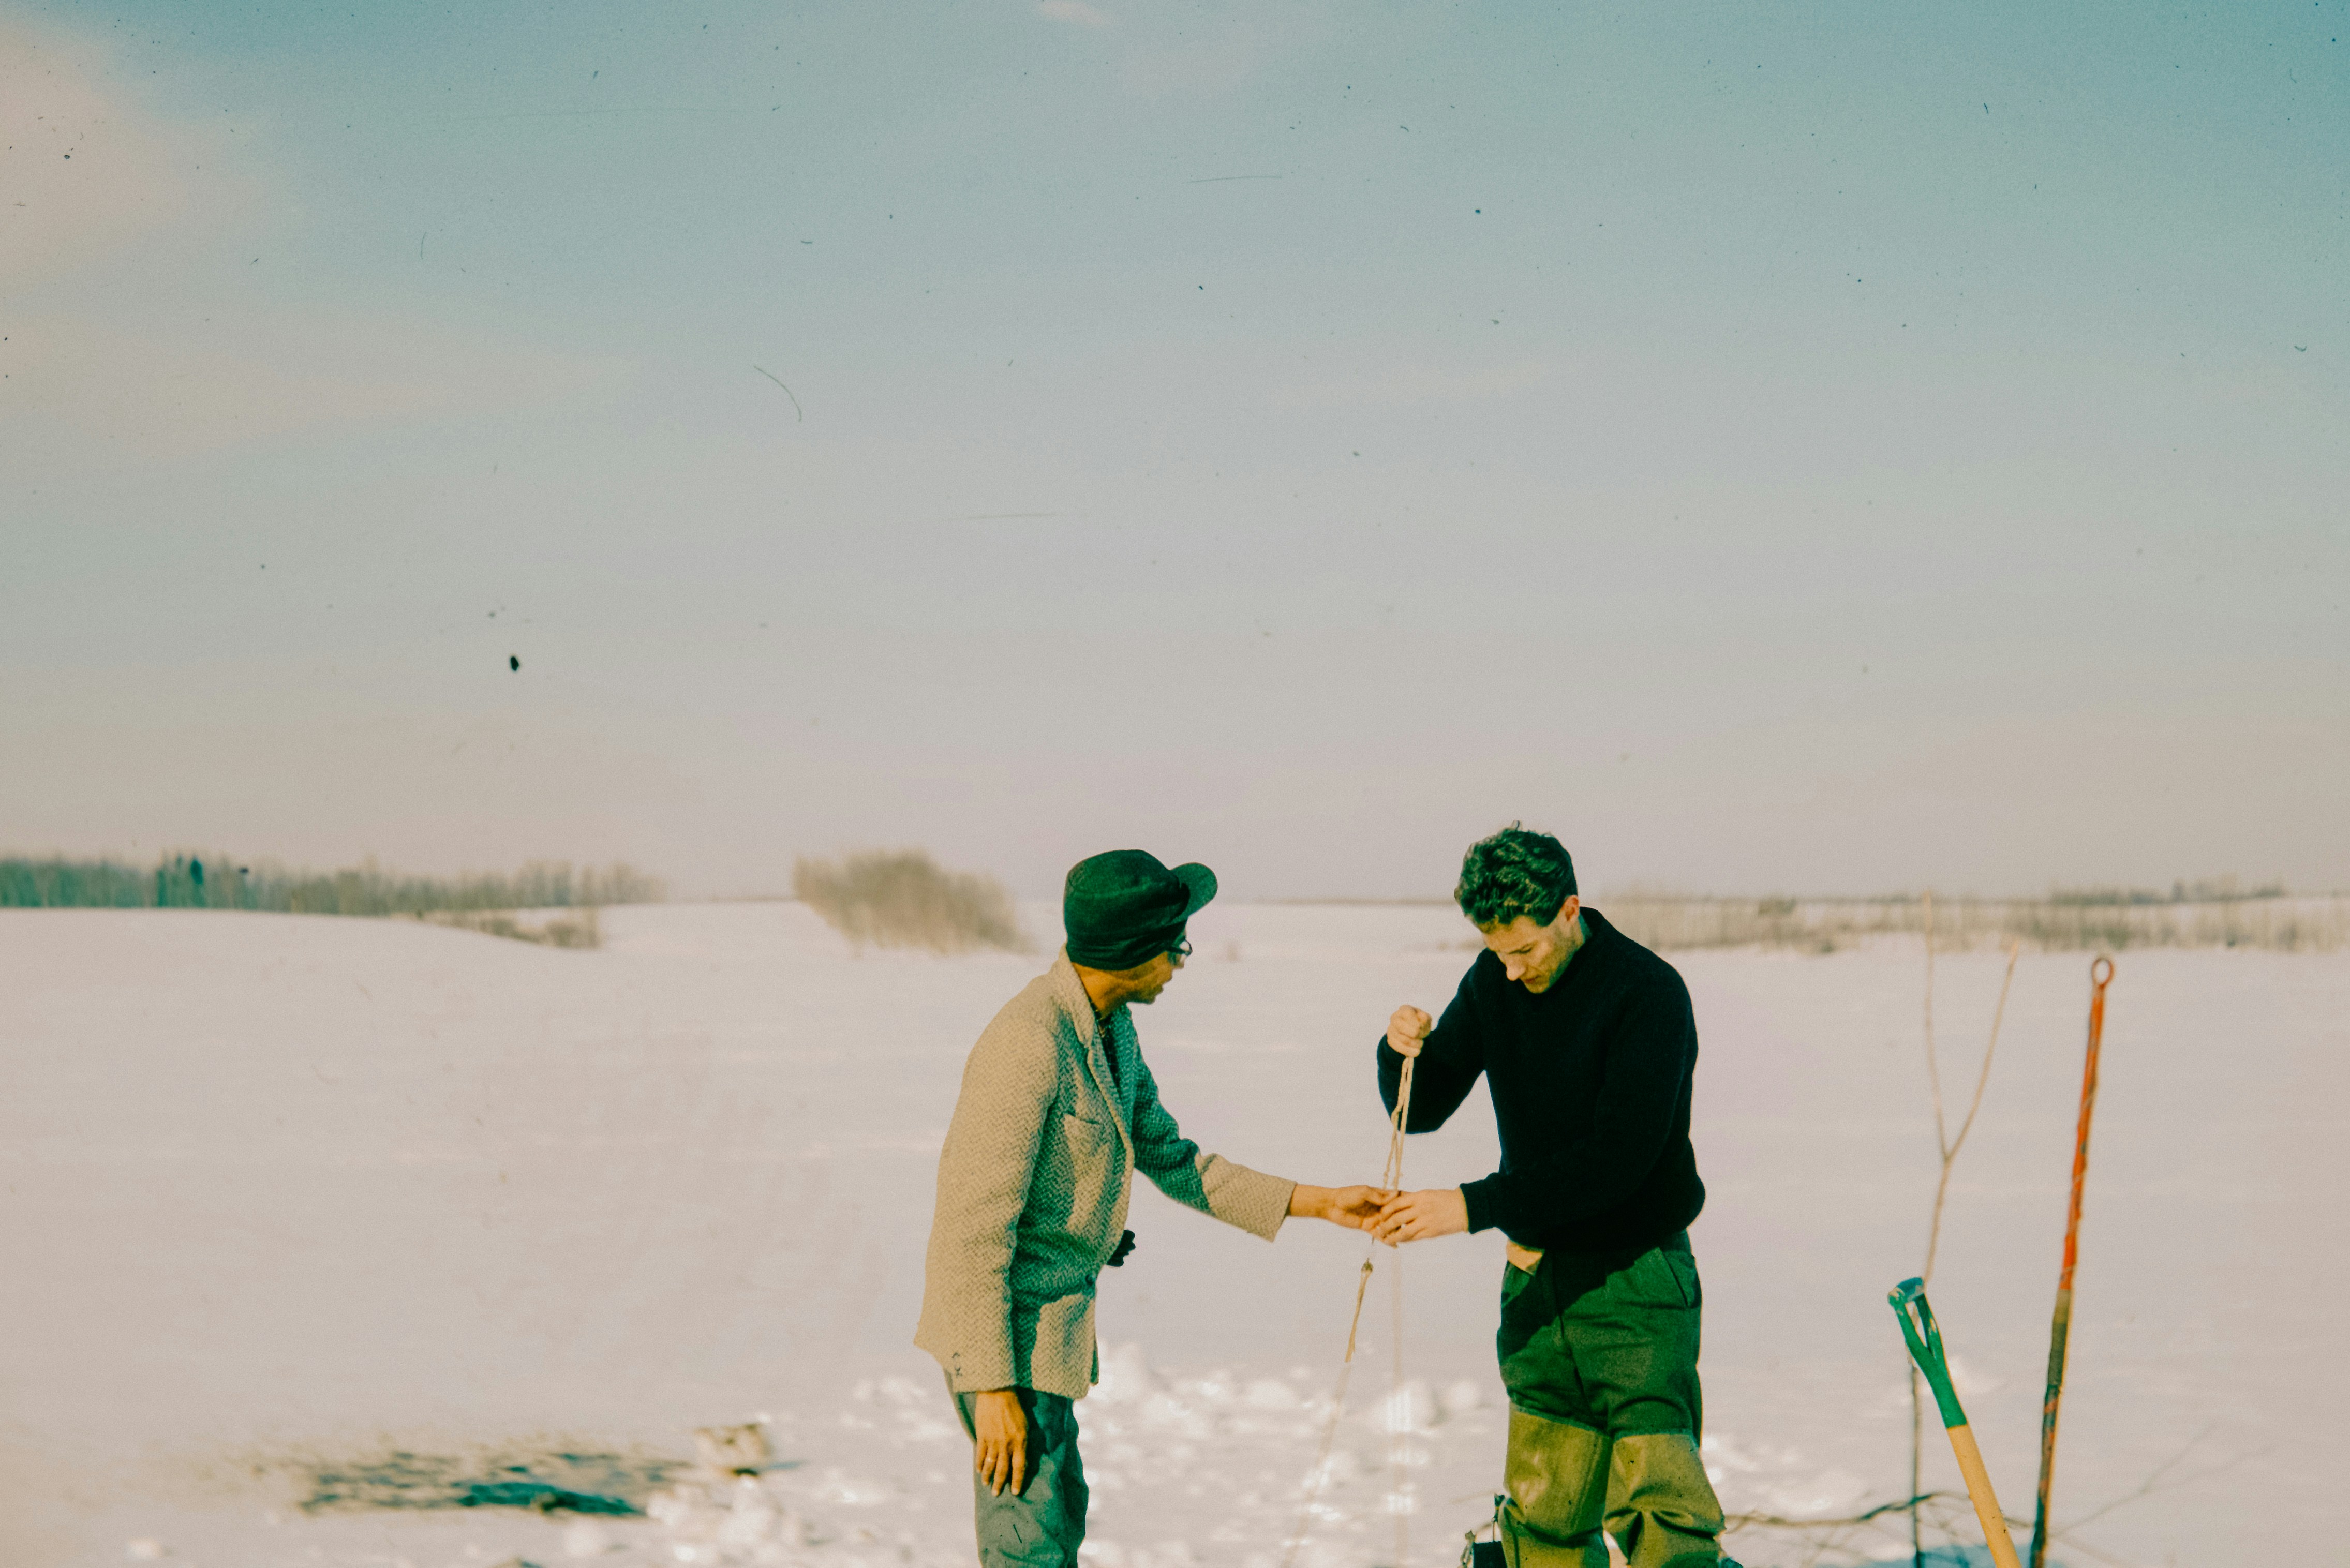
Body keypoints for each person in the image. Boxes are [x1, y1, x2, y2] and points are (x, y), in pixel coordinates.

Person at [915, 848, 1382, 1567]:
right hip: (1003, 1340)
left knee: (1055, 1525)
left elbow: (1170, 1156)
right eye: (1176, 945)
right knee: (1026, 1547)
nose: (1182, 961)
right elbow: (968, 1232)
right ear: (1132, 953)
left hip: (1049, 1332)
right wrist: (990, 1388)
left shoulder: (1110, 1030)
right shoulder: (1027, 1046)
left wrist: (1318, 1203)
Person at [1369, 825, 1736, 1568]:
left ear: (1569, 910)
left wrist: (1471, 1206)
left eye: (1524, 950)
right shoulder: (1491, 980)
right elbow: (1424, 1107)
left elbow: (1616, 1160)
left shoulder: (1645, 992)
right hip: (1536, 1276)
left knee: (1661, 1515)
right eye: (1496, 951)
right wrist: (1400, 1051)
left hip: (1633, 1281)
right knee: (1544, 1513)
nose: (1509, 971)